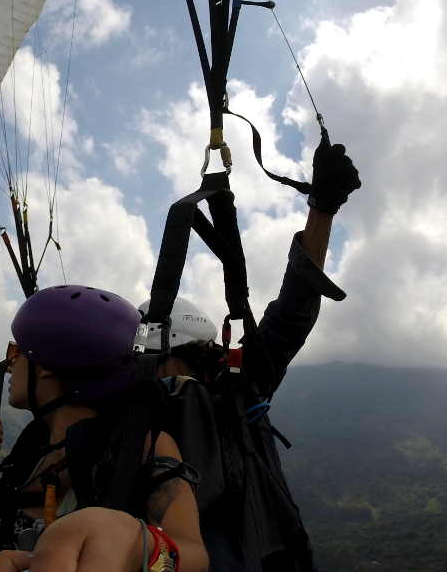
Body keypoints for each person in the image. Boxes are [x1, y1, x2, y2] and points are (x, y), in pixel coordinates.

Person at [139, 133, 361, 572]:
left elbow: (293, 308)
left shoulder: (238, 389)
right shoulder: (158, 404)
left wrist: (322, 209)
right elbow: (292, 312)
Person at [0, 285, 209, 572]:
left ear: (46, 364)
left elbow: (195, 557)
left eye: (17, 351)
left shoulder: (143, 446)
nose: (10, 364)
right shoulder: (34, 444)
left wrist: (140, 544)